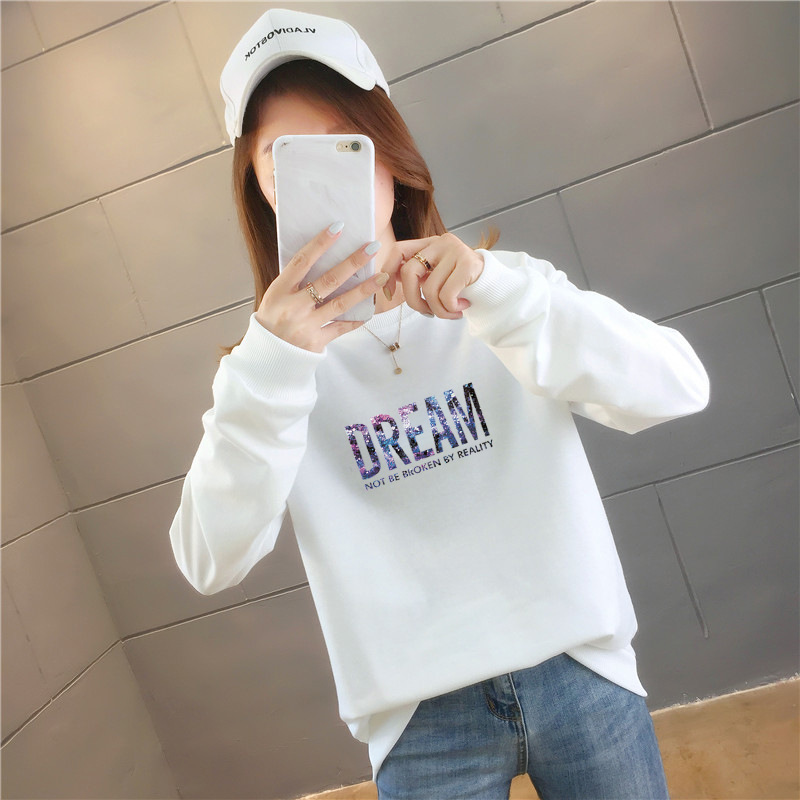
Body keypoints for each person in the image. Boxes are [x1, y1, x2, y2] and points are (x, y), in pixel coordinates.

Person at [170, 8, 710, 799]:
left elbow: (678, 387)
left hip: (580, 671)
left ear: (388, 155)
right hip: (421, 723)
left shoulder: (502, 293)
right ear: (259, 190)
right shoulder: (265, 372)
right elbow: (207, 561)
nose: (323, 180)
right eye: (285, 161)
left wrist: (499, 296)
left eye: (345, 147)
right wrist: (273, 366)